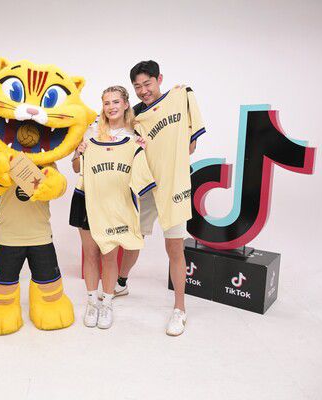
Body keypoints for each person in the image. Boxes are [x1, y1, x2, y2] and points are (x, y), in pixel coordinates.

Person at [120, 60, 206, 336]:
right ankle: (121, 282)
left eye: (147, 83)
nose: (143, 91)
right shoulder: (134, 116)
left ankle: (179, 309)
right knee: (134, 238)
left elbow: (191, 145)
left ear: (159, 79)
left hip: (173, 187)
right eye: (137, 87)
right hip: (146, 185)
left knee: (175, 248)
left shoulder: (181, 97)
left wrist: (170, 152)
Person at [70, 86, 152, 329]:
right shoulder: (91, 130)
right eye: (107, 103)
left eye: (116, 102)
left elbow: (142, 170)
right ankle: (91, 302)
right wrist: (79, 152)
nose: (111, 107)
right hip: (86, 198)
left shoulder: (134, 135)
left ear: (126, 104)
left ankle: (106, 303)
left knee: (109, 256)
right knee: (90, 253)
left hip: (116, 203)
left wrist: (142, 149)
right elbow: (76, 168)